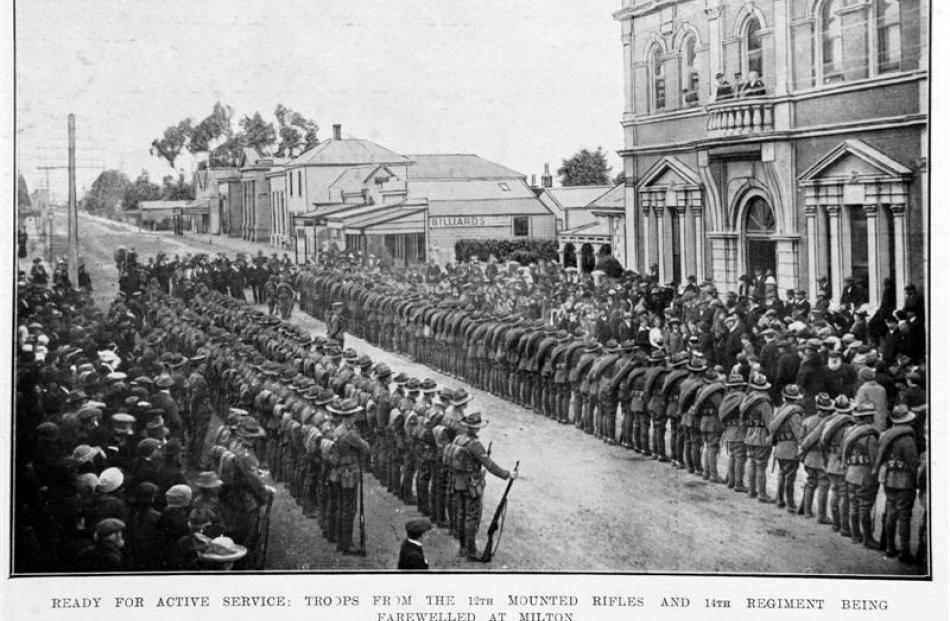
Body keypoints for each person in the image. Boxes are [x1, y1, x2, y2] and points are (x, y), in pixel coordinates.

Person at [448, 411, 517, 561]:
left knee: (461, 515)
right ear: (476, 429)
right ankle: (471, 551)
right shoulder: (475, 444)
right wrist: (507, 474)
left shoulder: (459, 438)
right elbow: (490, 466)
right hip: (471, 485)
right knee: (471, 517)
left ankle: (463, 547)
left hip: (458, 482)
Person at [873, 405, 919, 562]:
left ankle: (889, 547)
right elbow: (913, 463)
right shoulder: (907, 439)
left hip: (889, 478)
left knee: (891, 513)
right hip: (904, 481)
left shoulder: (886, 435)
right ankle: (904, 551)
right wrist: (917, 481)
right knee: (904, 516)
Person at [329, 398, 371, 555]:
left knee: (342, 507)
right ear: (352, 415)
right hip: (348, 475)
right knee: (349, 509)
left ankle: (342, 541)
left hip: (338, 473)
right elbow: (366, 448)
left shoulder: (339, 429)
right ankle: (346, 544)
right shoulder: (350, 433)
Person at [842, 402, 880, 548]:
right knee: (865, 507)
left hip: (851, 473)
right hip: (865, 475)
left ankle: (855, 535)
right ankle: (868, 539)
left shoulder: (849, 432)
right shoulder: (870, 436)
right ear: (869, 417)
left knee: (854, 505)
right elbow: (874, 459)